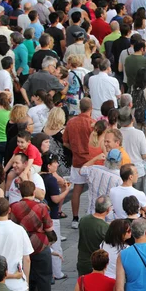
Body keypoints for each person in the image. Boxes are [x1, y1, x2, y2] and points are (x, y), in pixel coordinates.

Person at [64, 98, 97, 229]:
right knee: (93, 190)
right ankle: (92, 216)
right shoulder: (93, 124)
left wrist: (75, 149)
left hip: (77, 161)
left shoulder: (71, 123)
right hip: (91, 162)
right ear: (91, 108)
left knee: (76, 190)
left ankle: (75, 218)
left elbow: (65, 141)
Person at [40, 152, 69, 280]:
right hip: (52, 216)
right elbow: (56, 199)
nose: (57, 165)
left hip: (43, 214)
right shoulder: (51, 179)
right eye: (55, 163)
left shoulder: (40, 177)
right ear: (49, 166)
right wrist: (66, 190)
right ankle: (57, 273)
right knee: (55, 244)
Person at [77, 195, 112, 276]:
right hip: (96, 265)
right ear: (108, 209)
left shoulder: (83, 220)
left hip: (82, 262)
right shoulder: (105, 228)